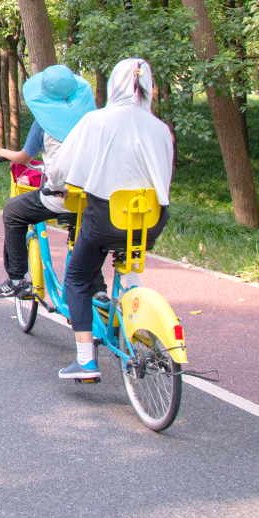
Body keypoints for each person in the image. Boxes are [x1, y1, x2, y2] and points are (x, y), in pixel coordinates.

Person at [44, 58, 173, 381]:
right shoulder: (160, 129)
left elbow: (60, 167)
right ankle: (133, 312)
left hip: (105, 219)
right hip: (150, 219)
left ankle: (86, 359)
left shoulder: (95, 122)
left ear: (114, 84)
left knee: (77, 277)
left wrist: (55, 184)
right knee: (129, 260)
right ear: (148, 87)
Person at [0, 65, 96, 298]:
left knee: (12, 211)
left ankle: (17, 279)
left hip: (62, 198)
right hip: (94, 197)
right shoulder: (93, 122)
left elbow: (24, 157)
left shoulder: (43, 124)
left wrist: (2, 151)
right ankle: (97, 291)